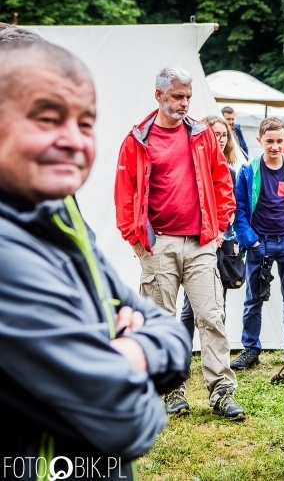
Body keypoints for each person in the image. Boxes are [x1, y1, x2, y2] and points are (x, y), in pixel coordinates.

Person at [0, 40, 190, 478]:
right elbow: (125, 420)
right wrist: (132, 354)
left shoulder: (58, 215)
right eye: (47, 119)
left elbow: (171, 338)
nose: (72, 140)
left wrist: (124, 354)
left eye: (85, 123)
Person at [114, 67, 244, 419]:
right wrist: (136, 240)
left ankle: (222, 392)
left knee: (211, 316)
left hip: (201, 241)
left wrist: (220, 226)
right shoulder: (137, 139)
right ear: (159, 96)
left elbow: (222, 181)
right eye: (177, 97)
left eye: (187, 97)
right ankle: (171, 391)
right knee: (162, 322)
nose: (184, 103)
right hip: (158, 245)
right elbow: (124, 194)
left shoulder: (201, 135)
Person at [232, 117, 284, 369]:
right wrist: (250, 240)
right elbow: (240, 209)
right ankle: (250, 349)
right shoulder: (248, 171)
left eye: (280, 141)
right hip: (260, 243)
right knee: (253, 299)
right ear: (259, 140)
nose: (275, 146)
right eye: (269, 141)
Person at [180, 115, 240, 342]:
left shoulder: (231, 173)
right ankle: (180, 360)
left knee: (218, 302)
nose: (221, 139)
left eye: (224, 135)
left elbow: (231, 207)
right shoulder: (192, 169)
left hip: (221, 243)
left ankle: (218, 357)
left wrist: (223, 232)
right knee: (189, 305)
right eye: (216, 134)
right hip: (196, 242)